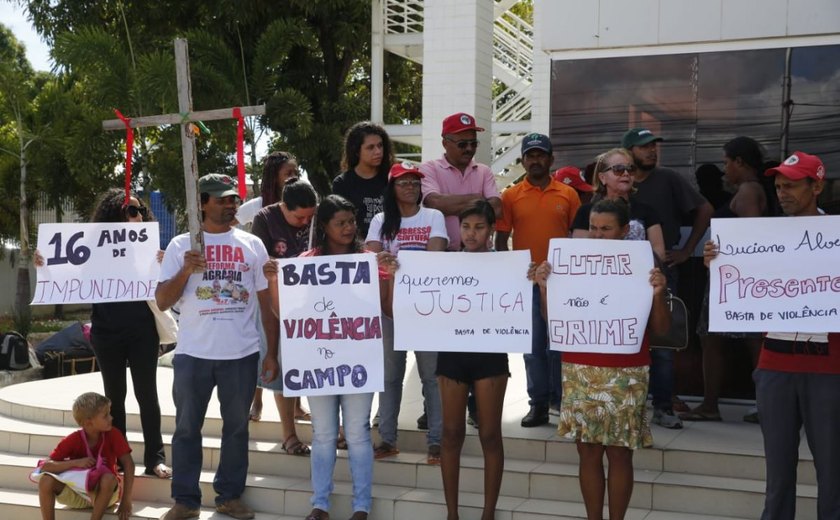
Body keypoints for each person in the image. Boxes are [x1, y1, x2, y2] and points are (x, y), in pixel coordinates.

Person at [704, 152, 839, 520]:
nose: (783, 193)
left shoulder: (836, 235)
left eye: (792, 185)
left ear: (817, 186)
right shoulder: (760, 238)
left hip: (828, 366)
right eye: (778, 187)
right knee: (778, 471)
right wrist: (718, 261)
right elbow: (740, 288)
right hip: (774, 363)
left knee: (833, 471)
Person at [533, 198, 670, 520]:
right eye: (593, 228)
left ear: (625, 230)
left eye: (606, 229)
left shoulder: (643, 262)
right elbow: (554, 320)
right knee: (588, 451)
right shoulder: (570, 260)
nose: (597, 235)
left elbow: (662, 330)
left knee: (620, 453)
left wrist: (659, 293)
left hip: (627, 367)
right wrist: (543, 289)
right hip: (579, 364)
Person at [156, 173, 279, 520]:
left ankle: (229, 496)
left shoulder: (252, 245)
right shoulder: (181, 246)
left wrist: (271, 351)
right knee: (186, 429)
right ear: (202, 203)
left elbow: (266, 301)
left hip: (241, 354)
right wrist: (185, 271)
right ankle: (185, 500)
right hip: (193, 354)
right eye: (222, 199)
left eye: (233, 199)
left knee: (237, 428)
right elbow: (163, 301)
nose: (231, 205)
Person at [264, 195, 388, 520]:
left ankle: (362, 506)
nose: (348, 228)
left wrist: (391, 275)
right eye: (340, 223)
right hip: (318, 362)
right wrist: (274, 279)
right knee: (323, 435)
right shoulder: (305, 261)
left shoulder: (368, 261)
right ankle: (320, 504)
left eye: (351, 221)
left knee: (359, 432)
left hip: (358, 360)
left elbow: (386, 309)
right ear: (326, 227)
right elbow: (283, 312)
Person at [622, 127, 714, 429]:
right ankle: (629, 405)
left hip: (660, 276)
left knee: (662, 345)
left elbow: (705, 209)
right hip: (618, 281)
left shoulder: (669, 179)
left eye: (654, 146)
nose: (651, 151)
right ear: (628, 151)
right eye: (644, 146)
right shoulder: (616, 189)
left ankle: (663, 406)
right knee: (624, 341)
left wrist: (687, 250)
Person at [365, 161, 448, 464]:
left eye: (415, 182)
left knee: (431, 377)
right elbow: (370, 260)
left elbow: (436, 257)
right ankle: (387, 439)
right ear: (392, 188)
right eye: (404, 182)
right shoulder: (380, 219)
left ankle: (437, 442)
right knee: (389, 377)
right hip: (388, 310)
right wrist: (388, 264)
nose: (411, 187)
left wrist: (395, 263)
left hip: (425, 311)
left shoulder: (434, 216)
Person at [495, 133, 580, 427]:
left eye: (540, 155)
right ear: (523, 161)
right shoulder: (510, 195)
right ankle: (538, 404)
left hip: (562, 283)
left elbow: (578, 238)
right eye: (529, 155)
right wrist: (508, 271)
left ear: (551, 159)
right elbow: (501, 237)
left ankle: (561, 401)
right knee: (531, 348)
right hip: (526, 283)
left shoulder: (568, 195)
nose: (535, 160)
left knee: (557, 346)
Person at [683, 137, 767, 423]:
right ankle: (750, 403)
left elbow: (752, 239)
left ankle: (713, 404)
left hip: (735, 281)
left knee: (725, 340)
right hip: (735, 279)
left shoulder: (747, 192)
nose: (725, 169)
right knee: (728, 340)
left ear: (740, 162)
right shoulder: (751, 190)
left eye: (726, 162)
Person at [88, 188, 171, 479]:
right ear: (112, 215)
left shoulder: (151, 250)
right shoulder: (92, 248)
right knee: (115, 397)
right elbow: (67, 269)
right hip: (106, 332)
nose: (134, 216)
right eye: (128, 211)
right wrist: (44, 263)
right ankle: (119, 458)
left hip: (141, 331)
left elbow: (166, 286)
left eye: (138, 211)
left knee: (147, 394)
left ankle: (155, 458)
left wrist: (163, 262)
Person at [438, 200, 511, 520]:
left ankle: (488, 512)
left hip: (490, 354)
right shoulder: (444, 266)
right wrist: (401, 273)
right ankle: (452, 513)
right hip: (452, 354)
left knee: (490, 433)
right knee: (451, 432)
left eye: (479, 227)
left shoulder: (507, 264)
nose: (471, 233)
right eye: (465, 227)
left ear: (491, 230)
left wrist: (534, 276)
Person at [250, 179, 318, 455]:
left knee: (315, 365)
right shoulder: (264, 219)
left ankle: (330, 429)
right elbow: (262, 268)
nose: (304, 223)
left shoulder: (316, 218)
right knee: (278, 364)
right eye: (298, 217)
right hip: (272, 302)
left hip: (312, 304)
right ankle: (289, 435)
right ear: (283, 207)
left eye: (309, 217)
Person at [240, 152, 308, 426]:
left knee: (293, 352)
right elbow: (238, 231)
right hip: (266, 291)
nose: (293, 176)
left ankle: (297, 405)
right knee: (266, 345)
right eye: (287, 172)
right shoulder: (259, 210)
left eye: (296, 171)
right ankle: (257, 400)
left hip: (298, 294)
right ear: (274, 176)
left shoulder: (305, 202)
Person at [36, 392, 134, 520]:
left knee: (109, 479)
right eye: (105, 416)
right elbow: (46, 467)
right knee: (46, 480)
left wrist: (126, 500)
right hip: (78, 493)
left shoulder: (114, 434)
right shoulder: (73, 439)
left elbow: (129, 464)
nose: (111, 418)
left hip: (105, 494)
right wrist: (76, 463)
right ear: (89, 423)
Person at [420, 112, 502, 251]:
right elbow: (435, 203)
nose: (469, 149)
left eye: (473, 143)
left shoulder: (484, 171)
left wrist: (450, 206)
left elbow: (497, 209)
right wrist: (479, 199)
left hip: (480, 257)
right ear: (445, 143)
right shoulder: (429, 169)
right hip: (443, 256)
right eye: (462, 144)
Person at [571, 148, 666, 262]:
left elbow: (659, 253)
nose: (626, 173)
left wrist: (638, 268)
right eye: (618, 169)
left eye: (630, 169)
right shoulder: (585, 211)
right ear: (602, 177)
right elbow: (578, 251)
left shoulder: (647, 211)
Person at [332, 122, 395, 240]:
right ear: (356, 151)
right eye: (370, 147)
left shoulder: (393, 178)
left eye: (380, 145)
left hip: (392, 243)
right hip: (358, 248)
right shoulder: (342, 183)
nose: (378, 151)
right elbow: (341, 223)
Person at [236, 151, 301, 228]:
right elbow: (227, 224)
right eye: (289, 174)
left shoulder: (303, 204)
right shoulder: (257, 205)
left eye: (296, 173)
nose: (295, 177)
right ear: (275, 177)